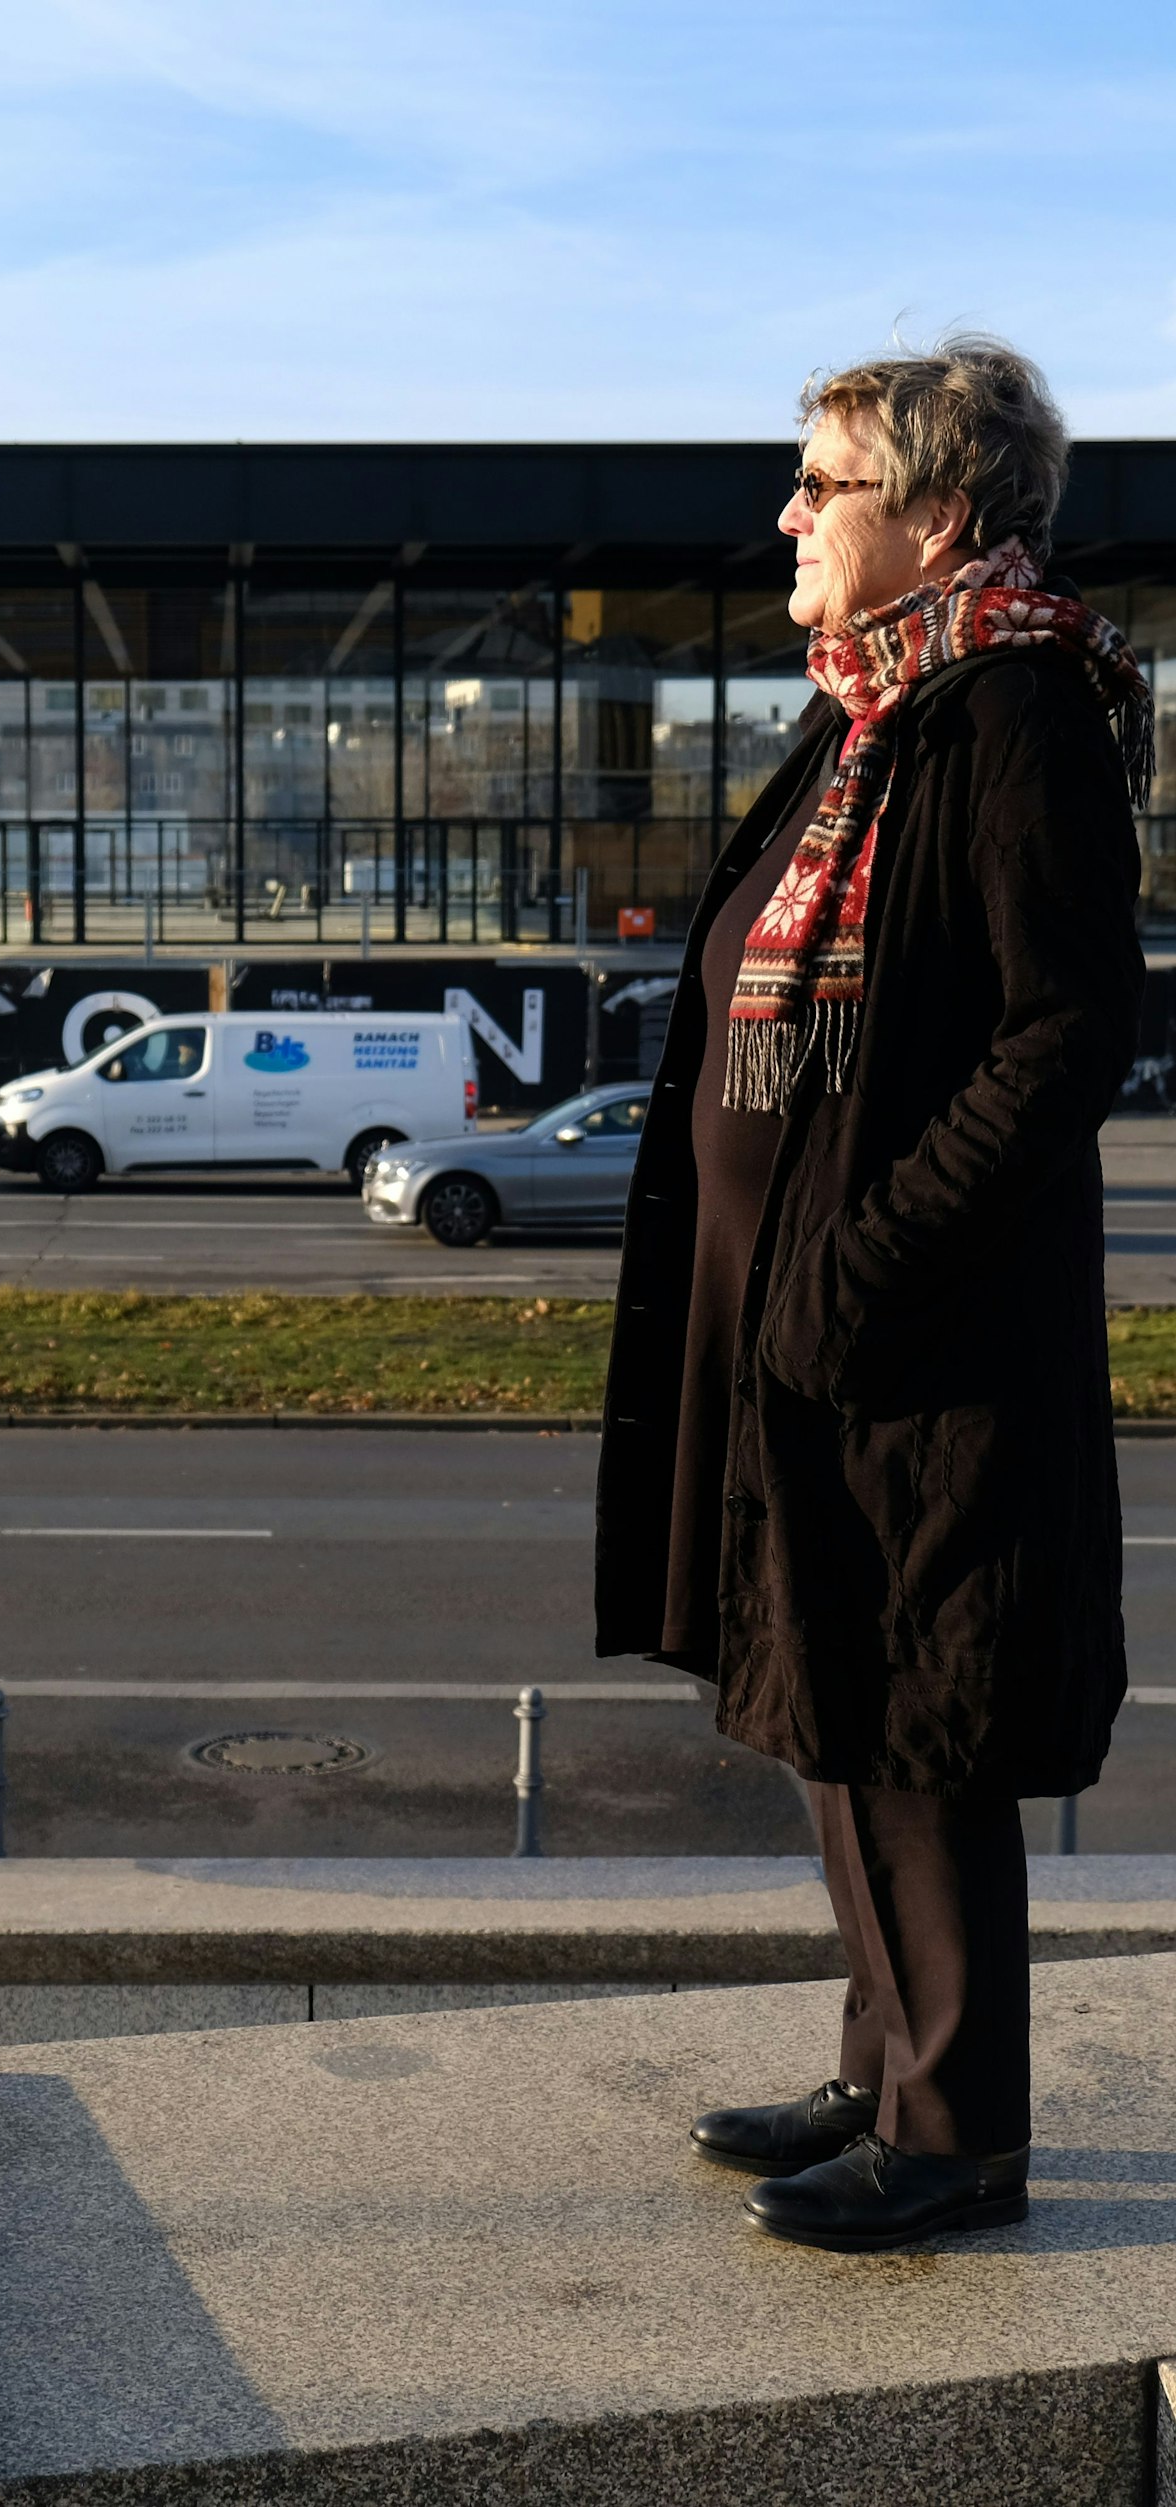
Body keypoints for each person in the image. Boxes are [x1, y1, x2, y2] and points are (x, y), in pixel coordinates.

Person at [594, 338, 1153, 2254]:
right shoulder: (875, 710)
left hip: (914, 1321)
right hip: (803, 1312)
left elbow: (1064, 1034)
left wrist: (867, 1261)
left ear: (940, 509)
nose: (787, 516)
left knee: (921, 1712)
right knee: (833, 1683)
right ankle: (884, 2064)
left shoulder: (1013, 711)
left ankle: (958, 2133)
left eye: (822, 484)